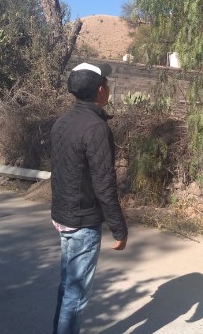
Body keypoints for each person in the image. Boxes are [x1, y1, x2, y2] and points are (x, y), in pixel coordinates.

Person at [50, 62, 128, 334]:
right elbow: (104, 184)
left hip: (63, 216)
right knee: (76, 296)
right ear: (99, 90)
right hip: (82, 222)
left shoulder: (62, 122)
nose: (108, 87)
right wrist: (119, 229)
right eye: (106, 83)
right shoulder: (96, 128)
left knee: (67, 286)